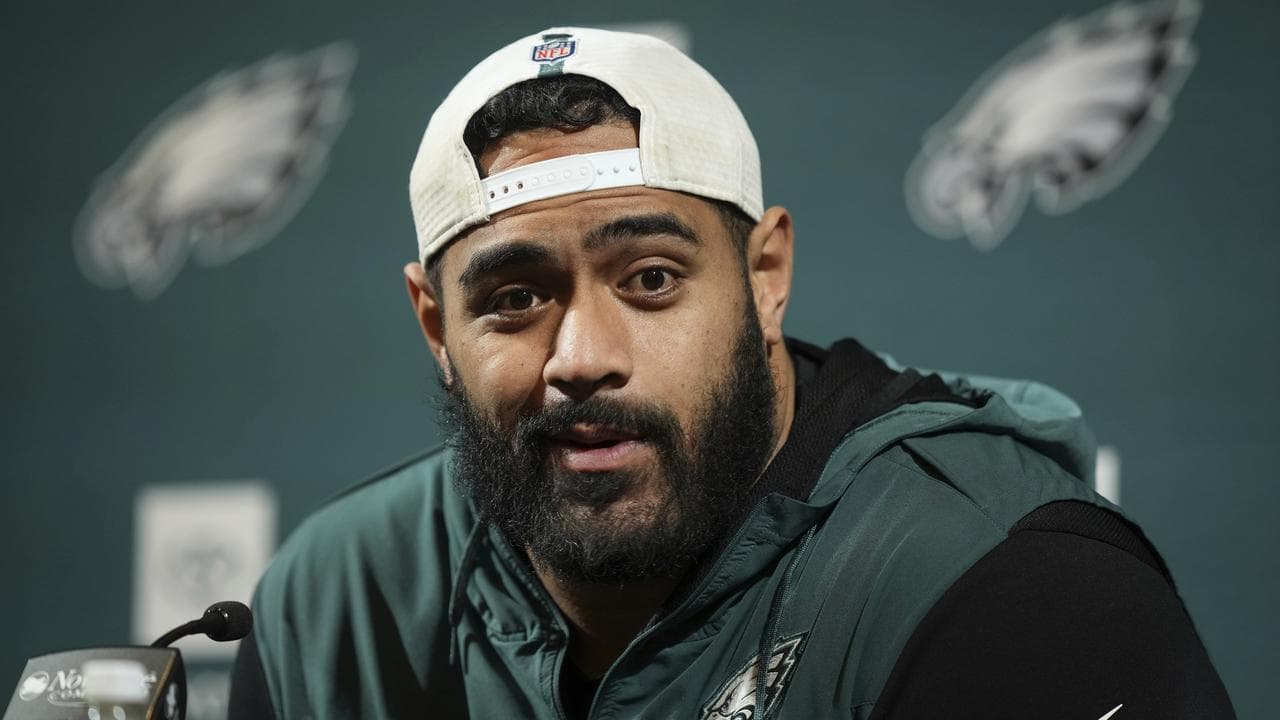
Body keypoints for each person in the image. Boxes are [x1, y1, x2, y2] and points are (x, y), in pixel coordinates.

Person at [228, 27, 1235, 719]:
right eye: (515, 297)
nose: (582, 358)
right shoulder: (331, 605)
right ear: (434, 326)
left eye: (651, 279)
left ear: (765, 277)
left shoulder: (1004, 584)